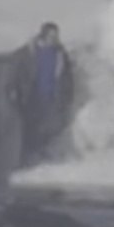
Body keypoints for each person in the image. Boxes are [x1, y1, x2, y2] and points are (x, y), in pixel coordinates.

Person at [16, 22, 74, 164]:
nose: (55, 39)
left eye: (56, 36)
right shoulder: (29, 52)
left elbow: (67, 77)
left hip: (52, 98)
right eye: (52, 36)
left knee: (49, 132)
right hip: (32, 98)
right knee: (31, 132)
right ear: (44, 36)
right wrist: (17, 94)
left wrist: (67, 97)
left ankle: (46, 161)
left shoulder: (60, 54)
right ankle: (27, 161)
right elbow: (17, 74)